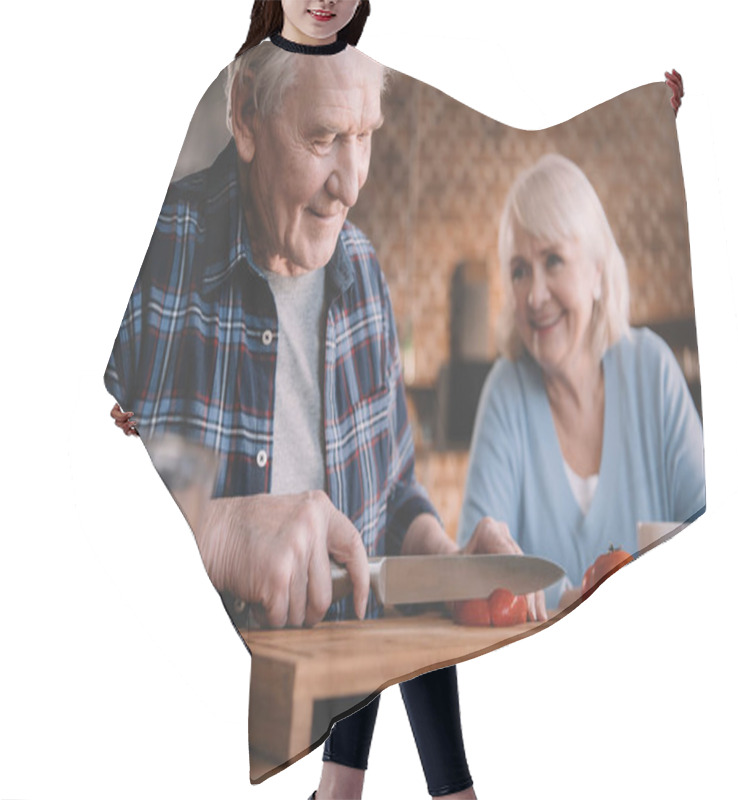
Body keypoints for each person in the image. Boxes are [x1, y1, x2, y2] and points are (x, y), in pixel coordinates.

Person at [106, 4, 541, 798]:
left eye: (364, 135)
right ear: (246, 119)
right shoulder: (177, 244)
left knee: (374, 600)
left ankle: (377, 792)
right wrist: (218, 526)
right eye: (320, 140)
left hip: (342, 631)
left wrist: (445, 564)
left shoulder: (363, 269)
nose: (349, 185)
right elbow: (111, 463)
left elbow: (393, 494)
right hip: (217, 673)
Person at [457, 151, 705, 610]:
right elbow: (471, 579)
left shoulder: (652, 369)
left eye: (553, 261)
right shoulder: (505, 392)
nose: (534, 295)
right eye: (519, 270)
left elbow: (713, 534)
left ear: (596, 270)